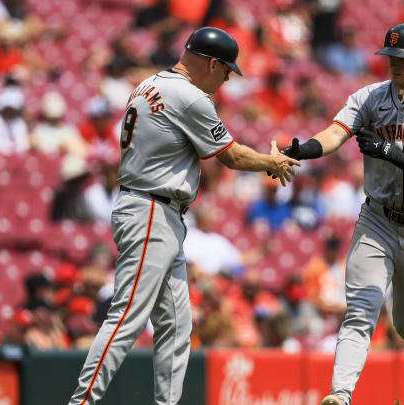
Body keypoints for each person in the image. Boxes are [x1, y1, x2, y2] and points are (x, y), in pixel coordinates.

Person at [67, 27, 298, 405]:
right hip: (150, 209)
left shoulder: (149, 83)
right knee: (128, 315)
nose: (226, 80)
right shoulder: (190, 97)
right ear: (211, 63)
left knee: (176, 324)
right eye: (226, 71)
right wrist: (271, 162)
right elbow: (232, 156)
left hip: (154, 207)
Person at [275, 23, 404, 405]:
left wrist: (389, 150)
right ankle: (340, 394)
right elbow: (335, 132)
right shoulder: (370, 97)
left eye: (402, 58)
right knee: (361, 308)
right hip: (376, 218)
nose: (393, 64)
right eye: (390, 57)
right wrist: (303, 150)